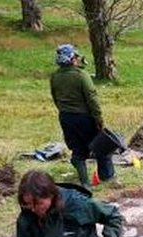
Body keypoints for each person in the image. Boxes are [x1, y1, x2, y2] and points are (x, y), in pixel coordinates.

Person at [50, 43, 115, 186]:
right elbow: (92, 99)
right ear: (72, 58)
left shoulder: (54, 76)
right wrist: (98, 119)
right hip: (84, 118)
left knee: (77, 150)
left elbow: (55, 97)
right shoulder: (81, 76)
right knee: (101, 147)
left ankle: (85, 182)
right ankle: (107, 177)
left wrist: (64, 111)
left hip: (65, 117)